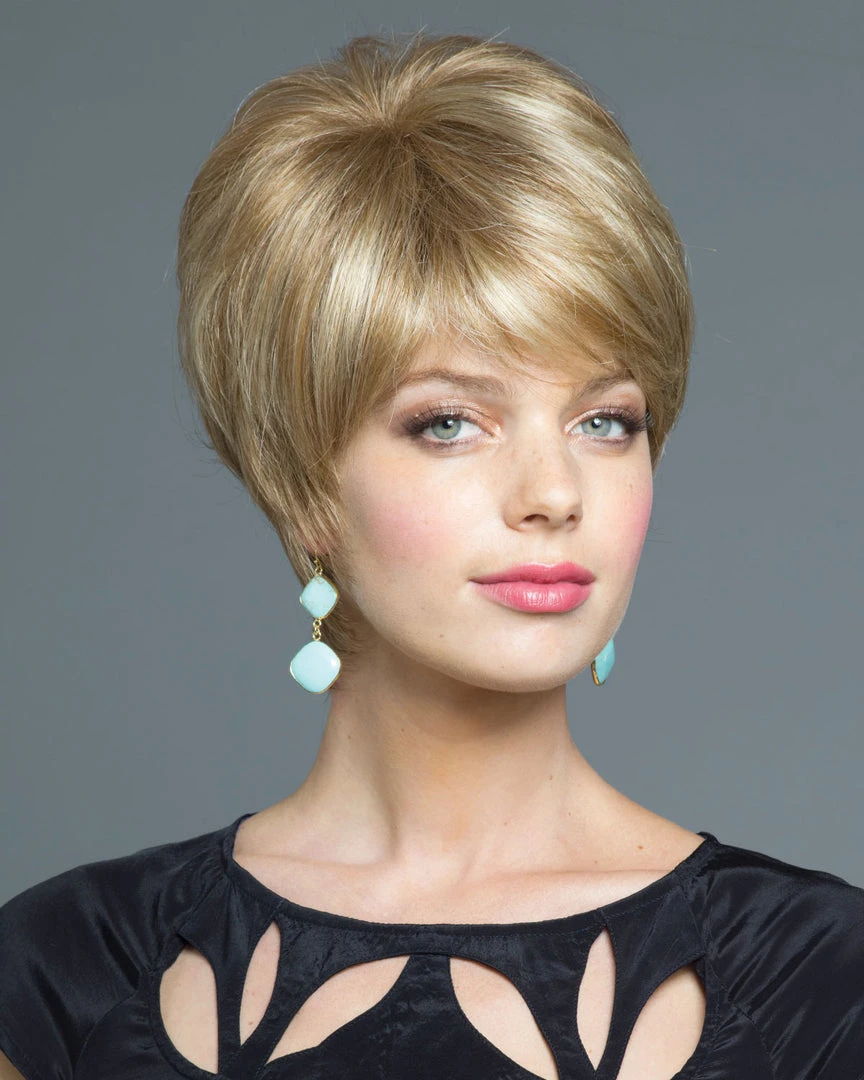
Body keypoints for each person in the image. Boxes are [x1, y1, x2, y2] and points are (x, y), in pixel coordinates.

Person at [0, 30, 862, 1080]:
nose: (554, 493)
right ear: (302, 484)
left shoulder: (818, 979)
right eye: (450, 422)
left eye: (605, 421)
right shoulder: (70, 974)